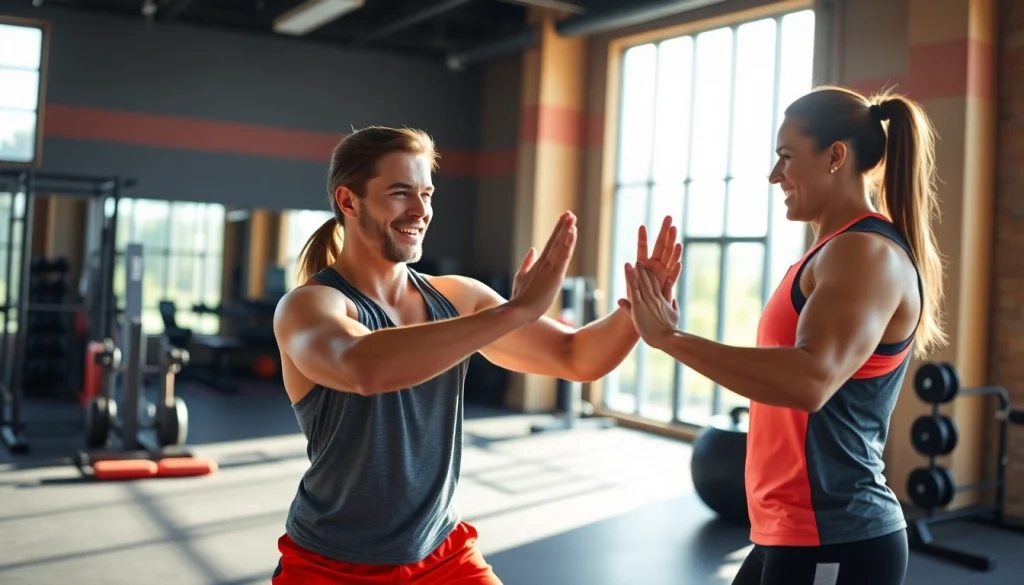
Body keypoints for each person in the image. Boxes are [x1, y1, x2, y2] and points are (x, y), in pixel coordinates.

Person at [270, 125, 682, 585]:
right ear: (349, 202)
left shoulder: (458, 298)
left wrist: (635, 311)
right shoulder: (309, 306)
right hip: (332, 564)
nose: (421, 210)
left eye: (426, 194)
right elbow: (362, 366)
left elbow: (576, 357)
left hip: (443, 554)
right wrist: (515, 312)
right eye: (400, 193)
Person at [620, 86, 945, 585]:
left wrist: (670, 339)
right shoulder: (831, 253)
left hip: (838, 537)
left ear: (836, 156)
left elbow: (809, 381)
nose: (775, 175)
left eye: (786, 158)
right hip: (789, 533)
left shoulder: (865, 253)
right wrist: (667, 329)